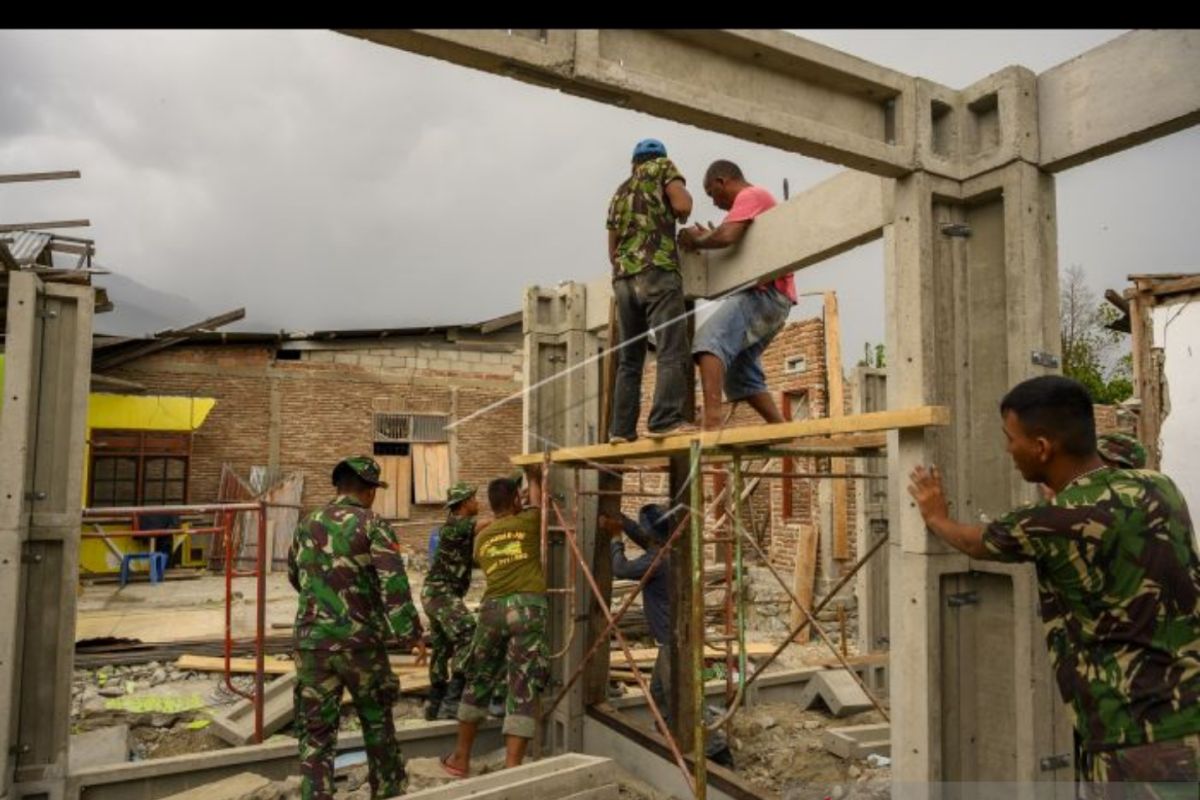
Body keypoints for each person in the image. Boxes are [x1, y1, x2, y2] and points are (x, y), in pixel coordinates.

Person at [907, 376, 1200, 797]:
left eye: (1011, 439)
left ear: (1042, 447)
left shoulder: (1050, 523)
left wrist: (936, 516)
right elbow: (1119, 467)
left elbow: (975, 542)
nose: (1008, 450)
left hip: (1133, 739)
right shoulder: (1161, 487)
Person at [289, 456, 423, 800]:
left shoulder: (306, 523)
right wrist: (411, 635)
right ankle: (388, 791)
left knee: (316, 736)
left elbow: (295, 576)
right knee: (377, 725)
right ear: (369, 491)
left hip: (312, 647)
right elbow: (393, 584)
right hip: (361, 646)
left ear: (338, 487)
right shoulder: (372, 523)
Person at [602, 504, 735, 769]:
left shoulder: (656, 559)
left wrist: (615, 538)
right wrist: (622, 520)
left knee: (681, 700)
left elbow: (621, 569)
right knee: (660, 694)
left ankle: (716, 751)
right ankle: (672, 739)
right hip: (675, 638)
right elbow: (644, 536)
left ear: (654, 534)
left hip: (674, 641)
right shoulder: (672, 547)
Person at [442, 467, 549, 776]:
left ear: (490, 505)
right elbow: (540, 506)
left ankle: (460, 759)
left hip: (492, 610)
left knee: (479, 679)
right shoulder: (528, 521)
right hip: (527, 608)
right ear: (517, 499)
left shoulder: (482, 537)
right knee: (523, 685)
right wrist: (536, 478)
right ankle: (512, 767)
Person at [679, 159, 796, 433]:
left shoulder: (751, 195)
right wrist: (712, 235)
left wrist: (698, 240)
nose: (716, 203)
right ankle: (782, 430)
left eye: (712, 194)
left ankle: (711, 425)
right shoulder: (752, 203)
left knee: (708, 343)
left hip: (765, 294)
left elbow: (728, 235)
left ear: (722, 181)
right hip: (778, 300)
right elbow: (728, 237)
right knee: (740, 375)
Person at [606, 138, 695, 443]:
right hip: (657, 270)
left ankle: (621, 429)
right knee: (672, 346)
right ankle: (664, 420)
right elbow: (682, 204)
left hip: (623, 280)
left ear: (634, 162)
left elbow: (612, 248)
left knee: (630, 358)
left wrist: (626, 269)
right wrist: (680, 213)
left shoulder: (619, 191)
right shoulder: (663, 167)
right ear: (659, 158)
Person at [422, 481, 486, 721]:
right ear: (465, 503)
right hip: (441, 594)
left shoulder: (453, 528)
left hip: (435, 594)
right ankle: (452, 700)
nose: (477, 503)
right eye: (474, 499)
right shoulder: (458, 525)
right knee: (468, 633)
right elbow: (490, 522)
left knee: (442, 647)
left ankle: (434, 703)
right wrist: (512, 512)